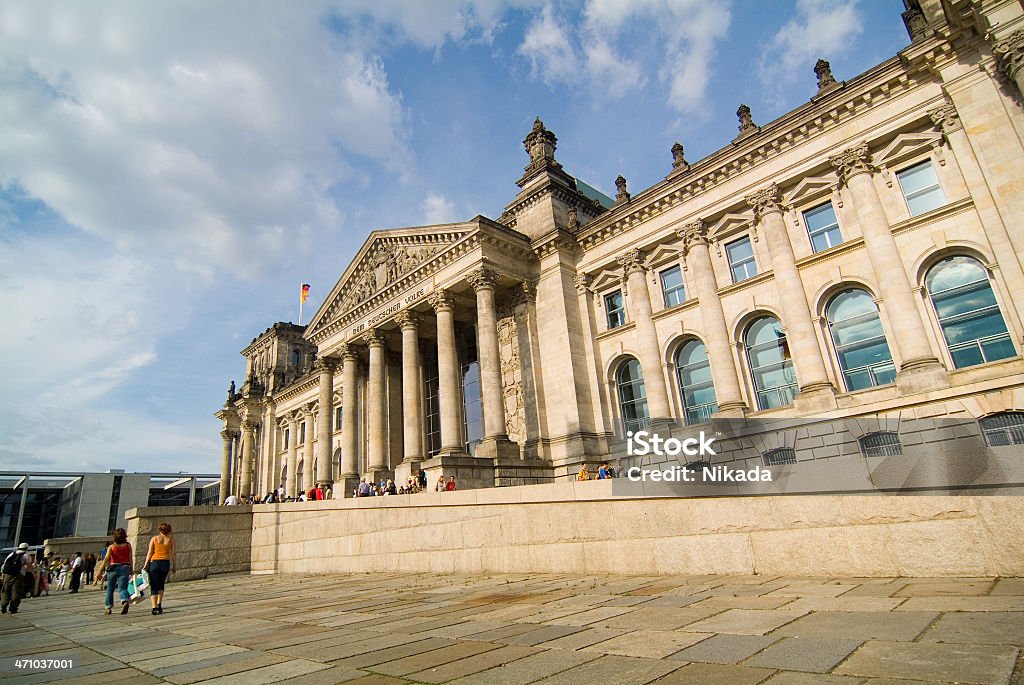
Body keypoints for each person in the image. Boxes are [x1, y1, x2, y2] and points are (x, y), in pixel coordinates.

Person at [95, 528, 134, 615]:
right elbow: (130, 558)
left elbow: (106, 559)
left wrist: (99, 571)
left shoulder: (112, 547)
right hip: (125, 567)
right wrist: (131, 569)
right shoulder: (128, 545)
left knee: (110, 589)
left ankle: (108, 608)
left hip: (113, 568)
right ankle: (125, 601)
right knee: (122, 588)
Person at [142, 522, 176, 616]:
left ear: (160, 530)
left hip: (154, 563)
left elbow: (150, 552)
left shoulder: (154, 539)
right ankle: (159, 604)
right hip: (165, 563)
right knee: (161, 584)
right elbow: (173, 554)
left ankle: (154, 608)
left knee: (154, 586)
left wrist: (145, 564)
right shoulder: (171, 540)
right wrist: (174, 566)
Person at [2, 543, 30, 614]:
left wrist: (3, 575)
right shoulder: (26, 555)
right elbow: (30, 566)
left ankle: (3, 605)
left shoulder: (11, 554)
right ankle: (13, 608)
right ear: (26, 548)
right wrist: (34, 574)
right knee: (16, 592)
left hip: (8, 575)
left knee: (6, 590)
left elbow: (4, 565)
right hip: (19, 575)